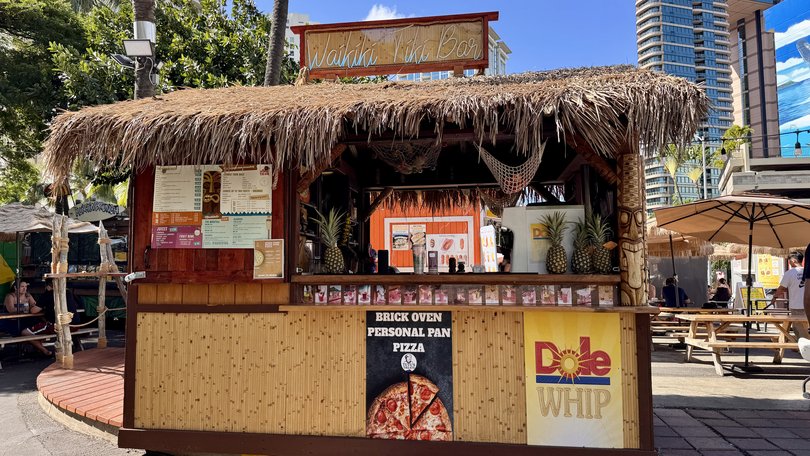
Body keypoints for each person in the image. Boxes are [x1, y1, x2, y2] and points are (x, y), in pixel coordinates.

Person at [772, 251, 809, 339]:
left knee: (798, 329)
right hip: (808, 305)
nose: (789, 262)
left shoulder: (789, 273)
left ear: (794, 261)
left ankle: (803, 349)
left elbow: (781, 288)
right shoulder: (807, 271)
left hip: (796, 306)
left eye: (789, 260)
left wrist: (774, 297)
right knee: (807, 328)